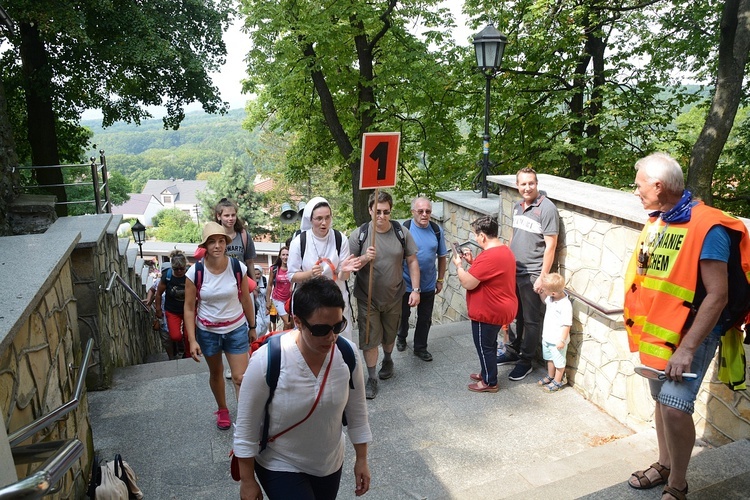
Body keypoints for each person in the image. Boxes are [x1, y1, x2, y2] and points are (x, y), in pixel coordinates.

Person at [624, 152, 750, 500]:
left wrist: (688, 347)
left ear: (659, 186)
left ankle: (677, 482)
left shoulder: (708, 227)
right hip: (659, 331)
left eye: (639, 185)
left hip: (691, 335)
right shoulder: (659, 220)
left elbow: (718, 295)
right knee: (660, 401)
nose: (635, 191)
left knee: (675, 409)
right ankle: (664, 462)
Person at [233, 277, 372, 500]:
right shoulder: (266, 362)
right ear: (297, 322)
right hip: (280, 461)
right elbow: (246, 428)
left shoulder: (347, 354)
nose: (332, 337)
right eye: (321, 330)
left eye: (338, 326)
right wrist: (248, 481)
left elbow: (358, 413)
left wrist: (362, 459)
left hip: (329, 462)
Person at [184, 222, 256, 431]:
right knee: (216, 373)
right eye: (212, 241)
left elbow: (245, 300)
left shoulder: (237, 267)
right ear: (205, 245)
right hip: (208, 332)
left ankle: (245, 415)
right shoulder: (194, 272)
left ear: (226, 243)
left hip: (235, 328)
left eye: (221, 241)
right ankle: (222, 409)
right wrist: (192, 339)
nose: (217, 245)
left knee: (240, 377)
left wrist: (252, 327)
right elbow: (189, 308)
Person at [349, 191, 420, 399]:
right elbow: (348, 266)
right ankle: (371, 377)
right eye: (377, 211)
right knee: (369, 338)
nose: (381, 216)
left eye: (386, 212)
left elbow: (412, 261)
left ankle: (388, 358)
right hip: (367, 297)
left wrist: (415, 290)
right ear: (370, 210)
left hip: (395, 295)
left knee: (390, 336)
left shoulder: (401, 232)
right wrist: (364, 258)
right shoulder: (360, 234)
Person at [499, 167, 560, 382]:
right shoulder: (517, 206)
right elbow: (514, 235)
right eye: (523, 184)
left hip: (533, 272)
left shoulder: (547, 209)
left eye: (531, 183)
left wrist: (543, 276)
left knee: (532, 320)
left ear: (537, 184)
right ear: (517, 186)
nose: (527, 187)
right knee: (515, 315)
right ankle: (513, 351)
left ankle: (526, 361)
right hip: (514, 270)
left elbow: (551, 245)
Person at [453, 216, 517, 393]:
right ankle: (486, 372)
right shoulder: (505, 250)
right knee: (489, 344)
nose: (475, 238)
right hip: (503, 307)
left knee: (484, 346)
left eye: (475, 235)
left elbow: (468, 282)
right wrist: (472, 262)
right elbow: (489, 275)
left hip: (488, 311)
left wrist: (459, 266)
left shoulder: (489, 256)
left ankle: (490, 382)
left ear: (482, 236)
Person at [287, 196, 361, 340]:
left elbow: (342, 277)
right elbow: (292, 275)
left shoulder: (340, 239)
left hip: (336, 300)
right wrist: (309, 274)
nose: (324, 223)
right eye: (319, 218)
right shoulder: (299, 242)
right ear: (310, 220)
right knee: (312, 343)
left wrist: (345, 270)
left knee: (339, 342)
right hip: (309, 301)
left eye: (327, 217)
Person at [396, 197, 448, 362]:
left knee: (425, 318)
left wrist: (440, 279)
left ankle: (420, 347)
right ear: (413, 212)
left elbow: (442, 257)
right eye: (420, 211)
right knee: (403, 315)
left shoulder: (436, 230)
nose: (425, 214)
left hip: (427, 284)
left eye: (428, 211)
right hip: (405, 284)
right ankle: (402, 337)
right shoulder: (405, 229)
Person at [537, 272, 571, 393]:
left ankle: (558, 380)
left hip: (557, 340)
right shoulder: (551, 298)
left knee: (559, 361)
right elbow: (545, 301)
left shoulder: (565, 305)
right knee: (549, 359)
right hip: (547, 337)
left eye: (545, 290)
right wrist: (541, 292)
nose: (544, 291)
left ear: (553, 293)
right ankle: (550, 376)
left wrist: (562, 340)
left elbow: (566, 325)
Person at [154, 250, 190, 359]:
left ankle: (188, 355)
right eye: (176, 269)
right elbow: (158, 293)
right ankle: (180, 347)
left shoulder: (190, 275)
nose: (179, 271)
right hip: (172, 310)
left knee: (189, 335)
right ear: (172, 267)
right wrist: (158, 309)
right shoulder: (167, 276)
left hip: (188, 310)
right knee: (175, 336)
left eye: (181, 269)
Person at [215, 198, 257, 272]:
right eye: (226, 215)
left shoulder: (244, 236)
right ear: (219, 216)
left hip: (241, 280)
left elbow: (250, 262)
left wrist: (254, 282)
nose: (231, 218)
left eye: (233, 215)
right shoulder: (213, 237)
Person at [266, 247, 293, 330]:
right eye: (283, 255)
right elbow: (270, 285)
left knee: (291, 324)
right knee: (287, 322)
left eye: (287, 255)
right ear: (280, 256)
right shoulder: (274, 269)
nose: (285, 257)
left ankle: (285, 339)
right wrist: (268, 301)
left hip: (290, 299)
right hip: (278, 299)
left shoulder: (293, 268)